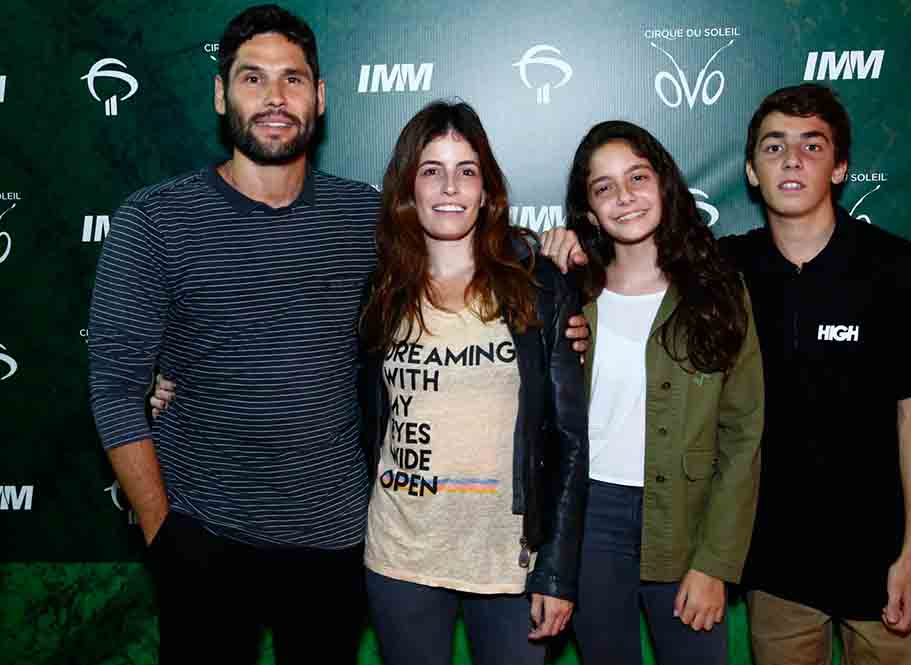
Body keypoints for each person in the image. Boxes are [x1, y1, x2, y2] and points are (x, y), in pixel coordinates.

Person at [89, 5, 590, 663]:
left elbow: (467, 263)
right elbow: (115, 388)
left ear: (320, 98)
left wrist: (559, 290)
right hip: (205, 540)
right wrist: (163, 532)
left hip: (338, 546)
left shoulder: (369, 220)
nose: (275, 98)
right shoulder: (154, 220)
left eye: (293, 79)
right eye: (252, 78)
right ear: (220, 94)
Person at [725, 84, 911, 665]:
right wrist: (572, 251)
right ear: (753, 172)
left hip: (883, 562)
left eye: (812, 146)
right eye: (774, 147)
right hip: (777, 564)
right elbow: (632, 268)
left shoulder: (895, 266)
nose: (792, 160)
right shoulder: (727, 268)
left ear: (840, 168)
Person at [357, 100, 588, 665]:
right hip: (401, 553)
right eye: (431, 170)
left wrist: (555, 571)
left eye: (466, 171)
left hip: (508, 561)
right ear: (410, 188)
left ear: (486, 190)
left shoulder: (536, 284)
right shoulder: (380, 287)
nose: (450, 187)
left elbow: (568, 439)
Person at [562, 121, 763, 665]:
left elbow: (744, 436)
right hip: (593, 518)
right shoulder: (568, 291)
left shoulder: (719, 289)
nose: (624, 197)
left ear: (665, 184)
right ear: (587, 210)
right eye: (604, 188)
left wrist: (716, 562)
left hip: (689, 518)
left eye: (637, 177)